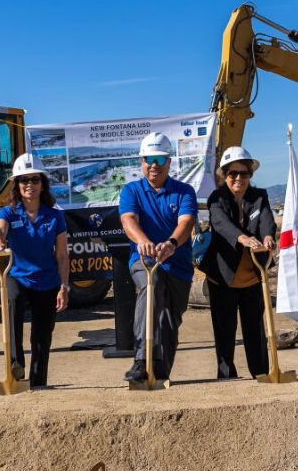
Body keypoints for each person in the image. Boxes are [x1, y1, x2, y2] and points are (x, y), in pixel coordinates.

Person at [118, 133, 197, 383]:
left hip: (178, 264)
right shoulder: (131, 191)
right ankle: (142, 359)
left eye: (159, 159)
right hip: (144, 260)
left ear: (169, 162)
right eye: (149, 159)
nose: (154, 165)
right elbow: (128, 220)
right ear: (141, 162)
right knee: (151, 288)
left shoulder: (184, 191)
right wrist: (143, 242)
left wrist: (172, 244)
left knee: (171, 320)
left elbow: (186, 222)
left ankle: (162, 372)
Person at [0, 153, 69, 388]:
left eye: (34, 180)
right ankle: (16, 365)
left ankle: (38, 383)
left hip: (47, 281)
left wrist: (64, 286)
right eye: (24, 180)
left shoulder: (55, 216)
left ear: (42, 184)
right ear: (17, 184)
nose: (29, 185)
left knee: (42, 337)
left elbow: (62, 254)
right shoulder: (9, 212)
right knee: (12, 301)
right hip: (17, 276)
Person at [201, 145, 275, 380]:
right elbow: (220, 223)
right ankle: (226, 375)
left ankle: (261, 372)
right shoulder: (217, 198)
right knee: (224, 330)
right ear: (225, 176)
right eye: (233, 174)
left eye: (244, 173)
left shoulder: (259, 196)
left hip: (253, 274)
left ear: (250, 175)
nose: (238, 178)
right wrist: (242, 238)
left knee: (255, 328)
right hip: (222, 276)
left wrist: (268, 237)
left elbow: (266, 221)